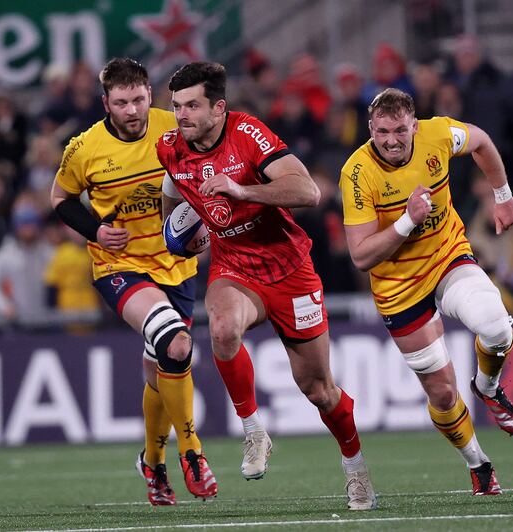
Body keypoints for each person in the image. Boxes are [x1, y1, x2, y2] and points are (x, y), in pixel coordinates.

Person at [158, 61, 376, 511]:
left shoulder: (248, 133)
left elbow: (308, 191)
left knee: (318, 390)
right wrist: (175, 233)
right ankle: (254, 430)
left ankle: (355, 468)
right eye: (176, 106)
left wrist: (243, 191)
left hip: (289, 269)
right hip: (234, 267)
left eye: (192, 105)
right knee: (221, 329)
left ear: (219, 108)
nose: (181, 115)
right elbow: (174, 190)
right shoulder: (170, 148)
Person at [339, 88, 513, 496]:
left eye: (401, 131)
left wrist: (503, 195)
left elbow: (481, 142)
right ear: (371, 128)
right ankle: (478, 463)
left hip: (446, 257)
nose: (391, 140)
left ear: (414, 126)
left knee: (496, 326)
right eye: (383, 131)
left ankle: (488, 388)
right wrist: (406, 222)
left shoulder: (438, 134)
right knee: (441, 392)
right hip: (397, 286)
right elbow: (361, 255)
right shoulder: (356, 172)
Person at [50, 58, 216, 505]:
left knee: (162, 368)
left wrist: (206, 222)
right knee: (177, 345)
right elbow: (60, 199)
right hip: (118, 267)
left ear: (150, 96)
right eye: (121, 102)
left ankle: (153, 462)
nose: (131, 110)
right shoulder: (83, 148)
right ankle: (192, 451)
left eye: (139, 99)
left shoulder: (174, 126)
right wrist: (96, 231)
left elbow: (208, 172)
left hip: (176, 268)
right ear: (106, 102)